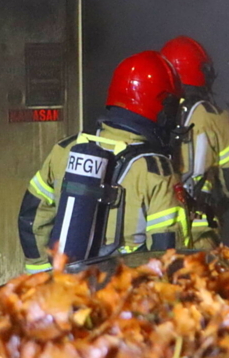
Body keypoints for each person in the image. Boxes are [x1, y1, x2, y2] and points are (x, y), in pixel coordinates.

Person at [16, 51, 189, 273]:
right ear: (161, 107)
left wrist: (42, 279)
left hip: (65, 292)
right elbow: (168, 251)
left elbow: (32, 217)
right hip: (121, 299)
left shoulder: (64, 150)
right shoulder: (156, 171)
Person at [160, 36, 229, 249]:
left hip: (152, 237)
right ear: (202, 73)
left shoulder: (154, 114)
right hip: (196, 236)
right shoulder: (212, 116)